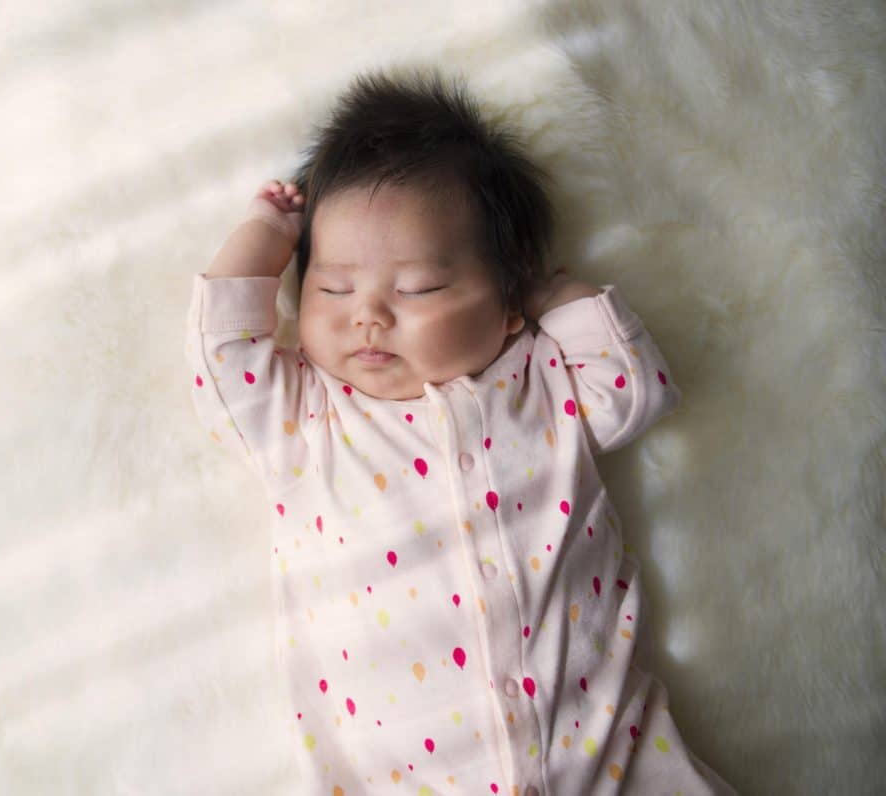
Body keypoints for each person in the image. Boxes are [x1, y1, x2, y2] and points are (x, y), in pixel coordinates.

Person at [184, 67, 736, 795]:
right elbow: (225, 360)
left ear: (507, 304)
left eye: (419, 288)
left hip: (611, 755)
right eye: (333, 287)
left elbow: (633, 392)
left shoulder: (539, 380)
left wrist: (559, 296)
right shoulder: (309, 418)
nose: (368, 316)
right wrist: (262, 240)